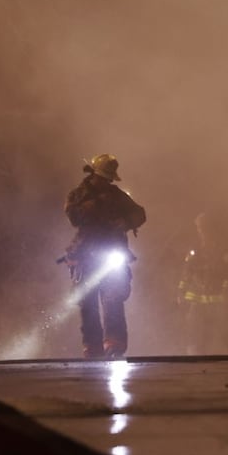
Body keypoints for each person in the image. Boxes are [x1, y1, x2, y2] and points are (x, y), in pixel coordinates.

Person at [63, 153, 147, 359]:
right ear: (93, 175)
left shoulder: (117, 195)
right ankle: (92, 349)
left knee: (113, 299)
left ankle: (114, 345)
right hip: (85, 255)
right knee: (88, 304)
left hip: (112, 253)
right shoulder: (78, 195)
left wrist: (125, 222)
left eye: (108, 179)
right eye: (103, 178)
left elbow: (140, 213)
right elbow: (73, 217)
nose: (106, 182)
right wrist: (91, 206)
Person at [176, 212, 228, 355]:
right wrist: (181, 291)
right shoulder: (196, 248)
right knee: (195, 335)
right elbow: (187, 271)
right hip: (197, 300)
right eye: (199, 228)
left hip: (219, 301)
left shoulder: (225, 248)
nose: (201, 231)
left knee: (225, 334)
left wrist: (226, 291)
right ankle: (194, 360)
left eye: (203, 228)